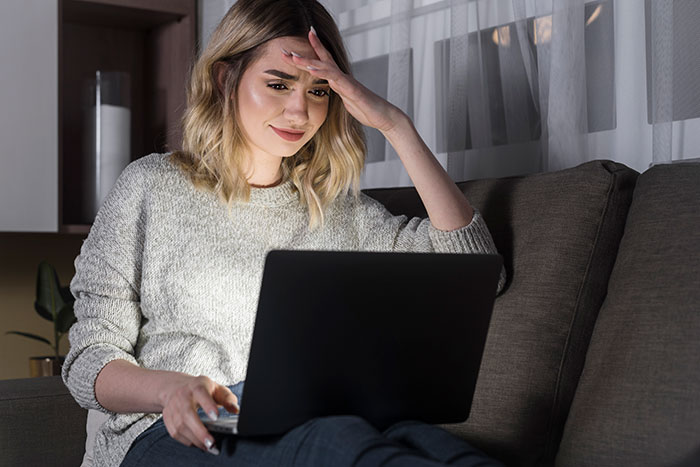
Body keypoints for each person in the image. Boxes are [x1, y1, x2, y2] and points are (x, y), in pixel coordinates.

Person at [62, 0, 507, 465]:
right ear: (225, 79)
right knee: (336, 445)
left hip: (310, 418)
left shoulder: (338, 212)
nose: (299, 111)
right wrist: (171, 389)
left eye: (320, 91)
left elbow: (476, 271)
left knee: (428, 443)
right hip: (172, 432)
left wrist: (395, 125)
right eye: (278, 84)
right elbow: (88, 359)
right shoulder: (149, 186)